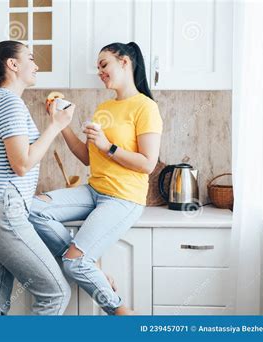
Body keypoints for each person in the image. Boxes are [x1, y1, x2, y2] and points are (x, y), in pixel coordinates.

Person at [29, 42, 163, 315]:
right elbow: (88, 157)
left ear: (124, 62)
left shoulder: (145, 107)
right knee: (32, 208)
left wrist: (107, 146)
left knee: (74, 264)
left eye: (104, 65)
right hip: (94, 191)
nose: (100, 72)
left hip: (124, 198)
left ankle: (121, 312)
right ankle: (93, 266)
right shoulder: (105, 107)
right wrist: (61, 124)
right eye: (98, 68)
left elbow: (148, 164)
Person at [0, 40, 75, 315]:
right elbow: (22, 164)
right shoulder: (9, 103)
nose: (36, 66)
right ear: (13, 65)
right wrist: (56, 126)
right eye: (31, 59)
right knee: (56, 293)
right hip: (2, 211)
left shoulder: (0, 100)